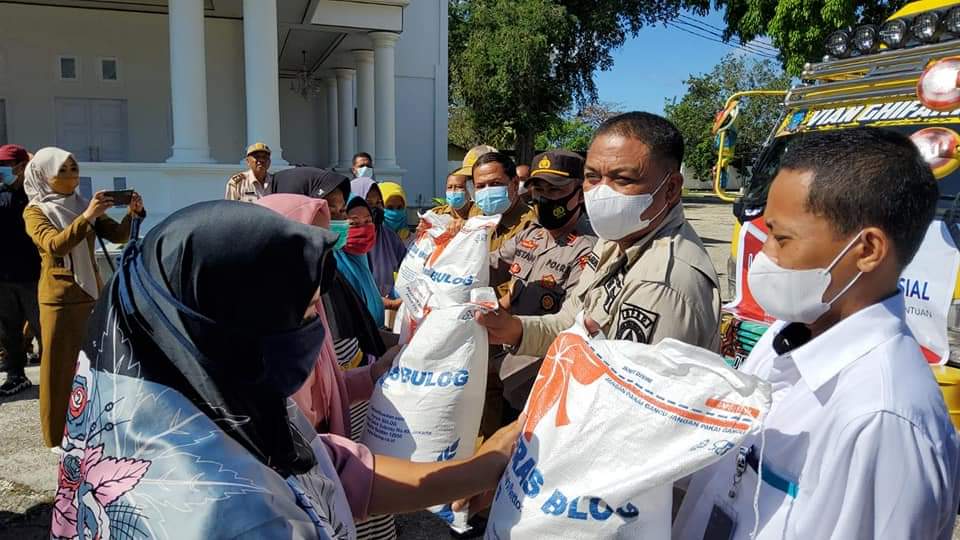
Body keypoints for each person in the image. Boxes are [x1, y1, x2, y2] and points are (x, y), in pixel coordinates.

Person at [52, 200, 520, 539]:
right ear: (225, 324)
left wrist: (480, 469)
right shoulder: (237, 515)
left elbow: (324, 467)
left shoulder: (186, 398)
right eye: (304, 313)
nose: (315, 330)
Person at [674, 128, 960, 539]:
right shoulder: (785, 338)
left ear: (867, 250)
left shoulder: (882, 419)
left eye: (781, 238)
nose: (764, 254)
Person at [478, 112, 720, 364]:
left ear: (670, 188)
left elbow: (624, 381)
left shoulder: (662, 283)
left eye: (622, 179)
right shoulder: (614, 240)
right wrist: (514, 330)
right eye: (593, 177)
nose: (601, 192)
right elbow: (569, 321)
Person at [22, 147, 145, 448]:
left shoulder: (81, 204)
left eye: (73, 168)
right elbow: (55, 245)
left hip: (91, 293)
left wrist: (133, 214)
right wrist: (88, 216)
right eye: (61, 170)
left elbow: (118, 235)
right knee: (58, 368)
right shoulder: (35, 211)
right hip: (60, 299)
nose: (70, 175)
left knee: (92, 365)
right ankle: (55, 435)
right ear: (42, 175)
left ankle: (90, 425)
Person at [490, 150, 598, 415]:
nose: (544, 198)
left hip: (540, 378)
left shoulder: (589, 249)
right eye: (539, 189)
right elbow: (490, 266)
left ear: (579, 194)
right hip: (504, 364)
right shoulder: (532, 234)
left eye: (555, 190)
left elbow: (570, 326)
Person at [0, 144, 41, 396]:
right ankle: (15, 375)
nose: (2, 170)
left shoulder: (37, 195)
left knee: (44, 328)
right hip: (4, 277)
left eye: (6, 165)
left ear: (22, 166)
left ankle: (57, 377)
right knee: (8, 331)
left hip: (34, 276)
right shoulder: (1, 194)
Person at [352, 177, 406, 313]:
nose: (375, 208)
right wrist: (387, 303)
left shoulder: (390, 237)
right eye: (368, 203)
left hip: (384, 316)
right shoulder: (346, 243)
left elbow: (407, 267)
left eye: (379, 203)